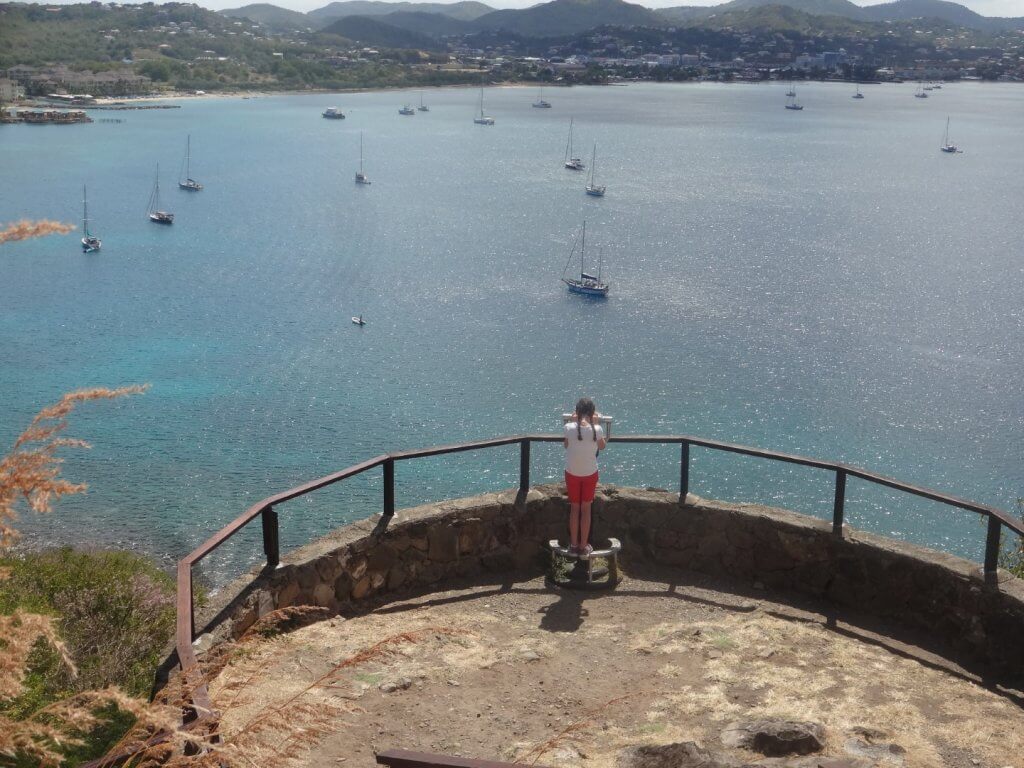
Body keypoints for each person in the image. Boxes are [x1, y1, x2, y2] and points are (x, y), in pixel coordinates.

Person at [563, 397, 607, 556]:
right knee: (586, 509)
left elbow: (566, 445)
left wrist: (574, 422)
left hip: (572, 473)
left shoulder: (568, 427)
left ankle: (573, 544)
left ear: (577, 412)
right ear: (592, 413)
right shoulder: (597, 430)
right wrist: (596, 425)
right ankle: (583, 545)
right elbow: (602, 446)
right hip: (590, 473)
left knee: (574, 508)